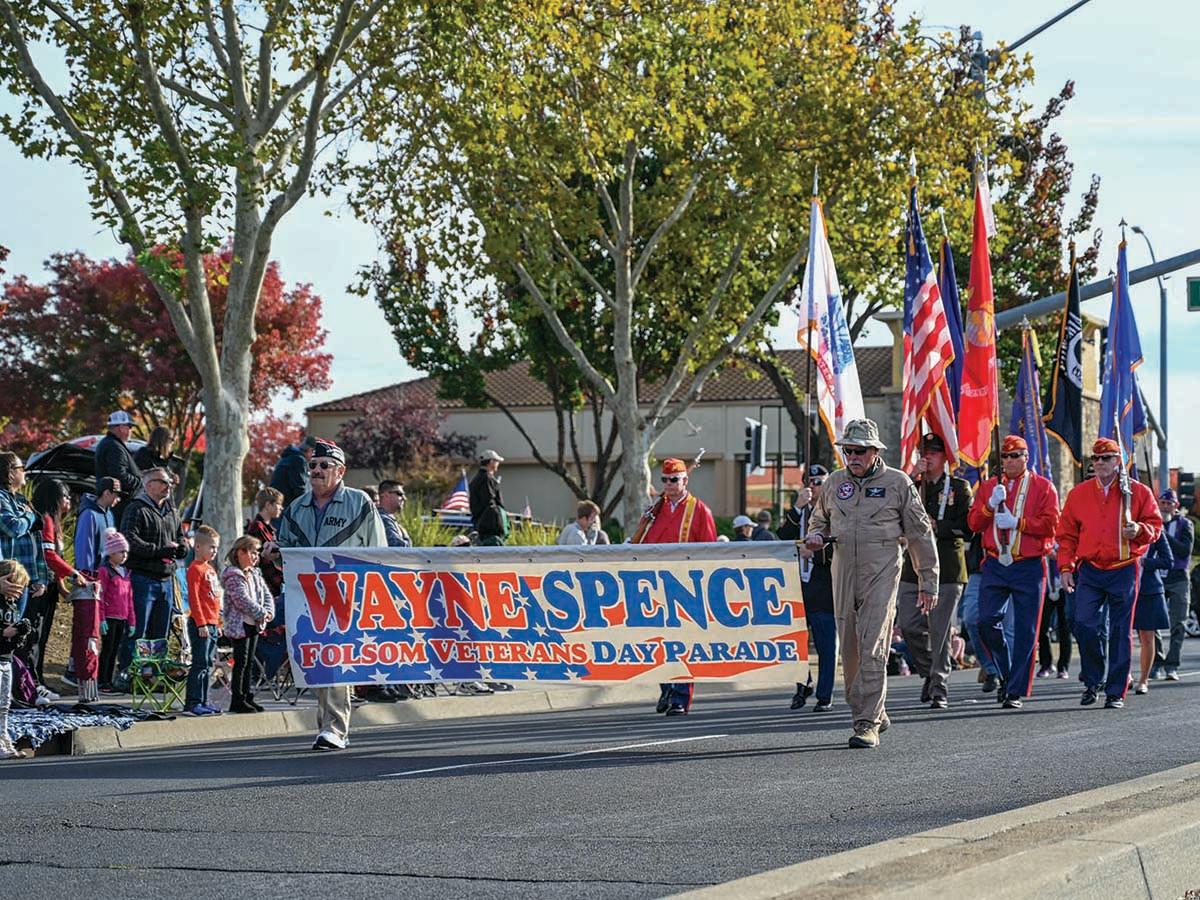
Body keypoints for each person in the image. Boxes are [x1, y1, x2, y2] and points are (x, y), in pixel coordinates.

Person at [805, 419, 937, 749]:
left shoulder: (898, 483)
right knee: (848, 647)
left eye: (859, 450)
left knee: (872, 642)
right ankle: (872, 708)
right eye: (848, 450)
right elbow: (818, 520)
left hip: (882, 568)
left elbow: (920, 533)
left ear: (875, 451)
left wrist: (928, 580)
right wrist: (816, 536)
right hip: (843, 569)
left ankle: (866, 722)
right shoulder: (835, 483)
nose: (853, 456)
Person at [277, 440, 386, 750]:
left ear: (341, 471)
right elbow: (283, 546)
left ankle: (335, 728)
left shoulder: (359, 502)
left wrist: (371, 591)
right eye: (313, 465)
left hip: (345, 594)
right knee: (316, 661)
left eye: (324, 466)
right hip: (306, 595)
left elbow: (377, 551)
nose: (316, 471)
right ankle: (327, 725)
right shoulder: (296, 507)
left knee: (335, 659)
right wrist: (275, 552)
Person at [1057, 438, 1162, 708]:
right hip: (1090, 569)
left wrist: (1139, 530)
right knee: (1083, 623)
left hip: (1124, 568)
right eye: (1096, 458)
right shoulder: (1078, 494)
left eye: (1107, 458)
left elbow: (1154, 525)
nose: (1100, 463)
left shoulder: (1137, 492)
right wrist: (1066, 567)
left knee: (1120, 630)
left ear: (1119, 460)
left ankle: (1116, 691)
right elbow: (1066, 535)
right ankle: (1093, 679)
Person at [966, 435, 1060, 710]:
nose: (1009, 461)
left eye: (1015, 456)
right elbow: (973, 522)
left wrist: (1018, 523)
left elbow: (1051, 524)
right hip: (995, 564)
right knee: (985, 621)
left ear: (1026, 457)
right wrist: (989, 506)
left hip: (1028, 565)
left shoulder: (1043, 487)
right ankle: (1007, 674)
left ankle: (1015, 690)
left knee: (1026, 630)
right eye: (1005, 457)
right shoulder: (988, 487)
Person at [631, 457, 717, 716]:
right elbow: (643, 546)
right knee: (660, 641)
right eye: (665, 480)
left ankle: (680, 696)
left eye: (674, 480)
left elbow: (710, 550)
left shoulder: (699, 510)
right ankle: (667, 688)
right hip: (655, 585)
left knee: (683, 644)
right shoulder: (656, 510)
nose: (669, 485)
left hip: (686, 586)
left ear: (685, 481)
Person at [897, 434, 972, 710]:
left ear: (945, 457)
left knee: (939, 630)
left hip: (947, 568)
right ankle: (930, 671)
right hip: (914, 567)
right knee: (909, 624)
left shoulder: (959, 487)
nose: (928, 457)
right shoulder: (912, 487)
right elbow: (892, 511)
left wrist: (937, 526)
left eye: (934, 453)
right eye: (924, 452)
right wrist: (910, 477)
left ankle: (939, 687)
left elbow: (967, 527)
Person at [116, 467, 189, 683]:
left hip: (166, 579)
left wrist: (182, 547)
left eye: (169, 483)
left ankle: (152, 675)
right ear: (149, 485)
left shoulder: (171, 511)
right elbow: (129, 539)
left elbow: (180, 536)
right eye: (163, 482)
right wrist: (159, 550)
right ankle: (129, 674)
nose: (168, 487)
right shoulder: (136, 509)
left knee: (160, 633)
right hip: (142, 577)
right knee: (137, 630)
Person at [780, 467, 836, 713]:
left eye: (819, 482)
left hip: (823, 587)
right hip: (798, 586)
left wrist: (814, 551)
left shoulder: (835, 510)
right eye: (810, 483)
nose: (814, 487)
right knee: (796, 642)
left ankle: (825, 694)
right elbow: (781, 536)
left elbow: (840, 548)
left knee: (825, 644)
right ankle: (803, 684)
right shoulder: (801, 512)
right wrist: (796, 507)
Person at [32, 478, 89, 690]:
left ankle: (38, 679)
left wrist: (62, 586)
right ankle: (33, 682)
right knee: (36, 636)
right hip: (40, 587)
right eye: (65, 496)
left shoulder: (56, 524)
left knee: (43, 636)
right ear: (55, 497)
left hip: (52, 586)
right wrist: (73, 574)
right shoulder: (45, 520)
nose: (69, 501)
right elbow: (49, 556)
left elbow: (56, 558)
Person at [221, 534, 274, 714]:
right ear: (240, 553)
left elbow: (265, 594)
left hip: (254, 623)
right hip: (240, 625)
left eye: (257, 553)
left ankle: (248, 695)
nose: (255, 557)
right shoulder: (233, 576)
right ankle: (238, 699)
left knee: (250, 661)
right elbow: (242, 600)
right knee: (241, 662)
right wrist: (261, 613)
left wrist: (268, 612)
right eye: (252, 552)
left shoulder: (255, 573)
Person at [0, 453, 48, 620]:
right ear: (10, 472)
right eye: (22, 468)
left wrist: (40, 578)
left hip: (24, 581)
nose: (25, 472)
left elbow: (35, 541)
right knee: (6, 634)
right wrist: (29, 516)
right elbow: (13, 528)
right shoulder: (1, 498)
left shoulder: (21, 501)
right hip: (6, 579)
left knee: (20, 636)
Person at [1153, 489, 1193, 680]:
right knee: (1152, 622)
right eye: (1162, 502)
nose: (1165, 506)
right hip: (1158, 577)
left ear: (1176, 506)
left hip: (1178, 578)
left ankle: (1172, 664)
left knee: (1178, 623)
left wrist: (1163, 535)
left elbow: (1184, 551)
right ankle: (1157, 660)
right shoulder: (1152, 523)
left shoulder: (1185, 525)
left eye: (1169, 503)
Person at [185, 525, 223, 716]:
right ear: (198, 547)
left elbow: (214, 599)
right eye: (211, 547)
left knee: (208, 664)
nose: (214, 551)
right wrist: (201, 623)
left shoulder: (210, 569)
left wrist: (218, 622)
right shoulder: (195, 569)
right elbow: (195, 598)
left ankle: (204, 699)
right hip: (201, 624)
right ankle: (193, 702)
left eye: (216, 548)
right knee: (200, 664)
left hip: (212, 623)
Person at [0, 559, 34, 760]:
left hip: (6, 659)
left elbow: (13, 640)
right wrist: (5, 633)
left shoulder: (11, 607)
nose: (19, 593)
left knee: (4, 703)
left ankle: (4, 738)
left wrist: (20, 634)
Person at [1133, 530, 1173, 695]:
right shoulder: (1119, 526)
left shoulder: (1156, 532)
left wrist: (1144, 562)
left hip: (1149, 589)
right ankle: (1124, 676)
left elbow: (1168, 561)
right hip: (1122, 588)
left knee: (1147, 636)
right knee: (1120, 634)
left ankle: (1143, 680)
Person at [96, 529, 134, 692]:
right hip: (110, 616)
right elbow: (101, 595)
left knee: (115, 650)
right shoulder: (105, 571)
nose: (124, 555)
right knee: (107, 649)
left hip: (122, 617)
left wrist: (132, 621)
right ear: (111, 553)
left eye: (126, 552)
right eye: (120, 551)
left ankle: (109, 680)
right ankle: (102, 680)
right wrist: (101, 618)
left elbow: (129, 599)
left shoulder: (125, 573)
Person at [94, 410, 142, 516]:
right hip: (120, 507)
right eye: (129, 427)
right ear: (121, 427)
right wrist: (140, 481)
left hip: (114, 505)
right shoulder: (114, 447)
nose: (131, 430)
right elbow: (119, 476)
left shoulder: (109, 444)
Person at [75, 477, 122, 577]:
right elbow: (85, 548)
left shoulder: (110, 514)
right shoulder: (89, 514)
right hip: (92, 577)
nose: (118, 499)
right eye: (116, 495)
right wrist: (86, 575)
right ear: (106, 493)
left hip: (106, 576)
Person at [1036, 554, 1073, 679]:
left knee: (1064, 627)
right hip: (1045, 585)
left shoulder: (1064, 537)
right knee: (1042, 627)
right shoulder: (1044, 535)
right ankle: (1046, 664)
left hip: (1063, 584)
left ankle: (1063, 666)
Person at [246, 488, 285, 599]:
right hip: (266, 587)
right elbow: (263, 560)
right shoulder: (257, 527)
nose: (281, 508)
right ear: (268, 505)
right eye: (278, 504)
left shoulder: (269, 529)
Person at [469, 450, 509, 546]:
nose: (498, 464)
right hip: (490, 527)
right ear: (491, 462)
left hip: (480, 525)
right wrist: (499, 522)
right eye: (497, 461)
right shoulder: (487, 478)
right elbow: (489, 502)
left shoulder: (476, 479)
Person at [269, 434, 318, 509]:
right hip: (285, 508)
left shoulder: (288, 457)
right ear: (310, 450)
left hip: (276, 505)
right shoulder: (299, 460)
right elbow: (300, 488)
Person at [377, 479, 413, 548]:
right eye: (400, 494)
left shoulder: (387, 518)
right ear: (385, 495)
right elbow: (397, 547)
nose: (404, 498)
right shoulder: (383, 519)